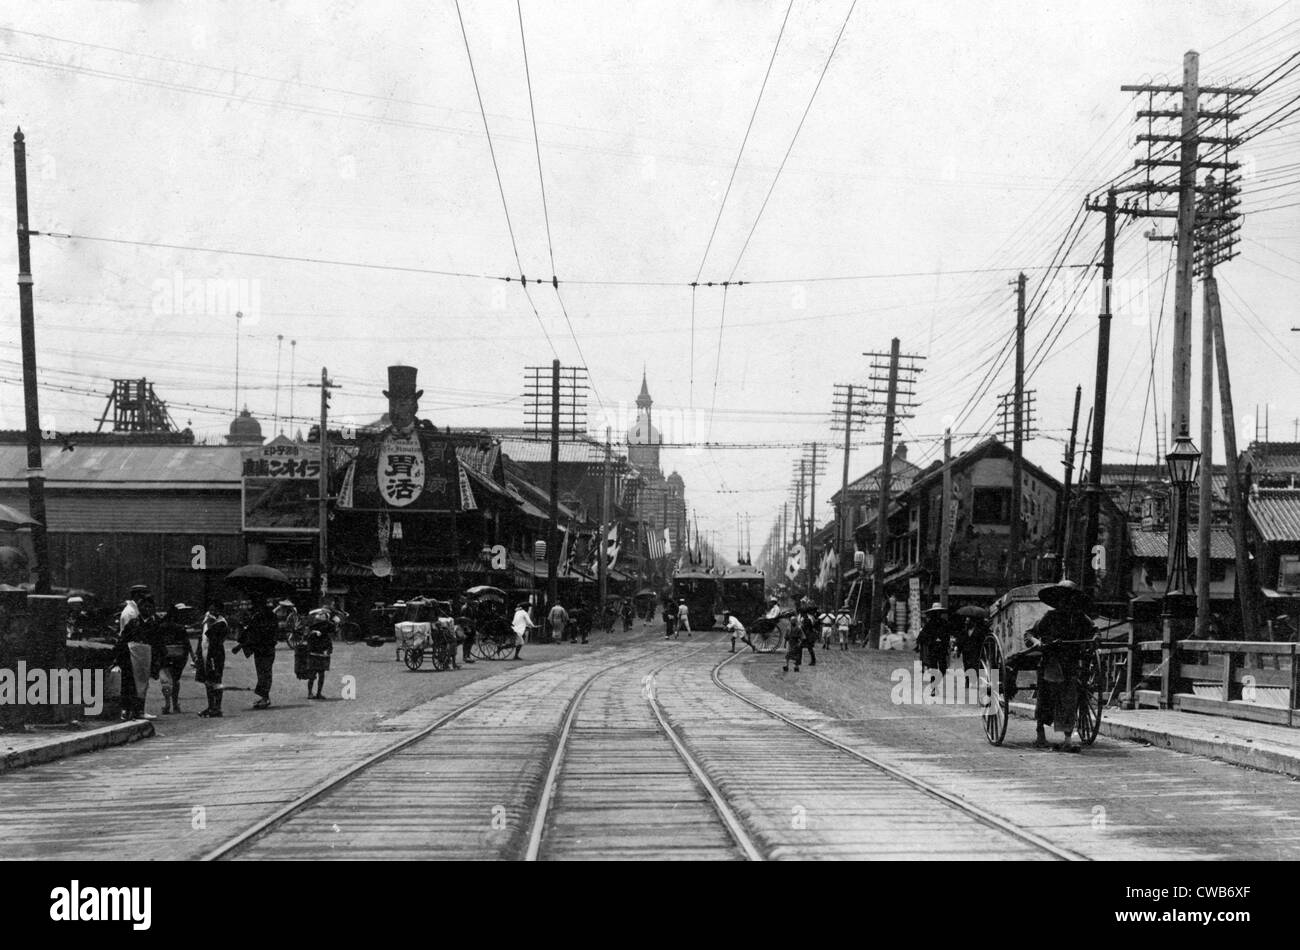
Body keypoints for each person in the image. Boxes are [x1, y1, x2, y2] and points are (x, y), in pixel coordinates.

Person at [1024, 580, 1095, 753]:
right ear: (1058, 600)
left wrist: (1094, 640)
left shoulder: (1080, 617)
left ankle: (1068, 739)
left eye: (1069, 598)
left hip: (1070, 663)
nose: (1066, 602)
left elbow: (1094, 631)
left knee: (1069, 699)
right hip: (1051, 661)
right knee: (1046, 699)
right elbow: (1029, 634)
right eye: (1063, 598)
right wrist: (1037, 642)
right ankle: (1040, 734)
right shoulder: (1050, 616)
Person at [115, 585, 156, 721]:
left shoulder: (142, 615)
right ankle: (130, 710)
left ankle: (137, 710)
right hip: (131, 651)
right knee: (131, 683)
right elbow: (126, 636)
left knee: (140, 683)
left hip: (141, 653)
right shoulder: (131, 614)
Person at [234, 599, 279, 709]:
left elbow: (251, 632)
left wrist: (240, 645)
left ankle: (265, 698)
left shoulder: (258, 617)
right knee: (265, 673)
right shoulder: (270, 616)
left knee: (263, 673)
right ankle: (264, 697)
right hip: (267, 648)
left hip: (262, 649)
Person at [155, 603, 194, 715]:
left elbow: (157, 642)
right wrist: (192, 655)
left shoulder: (161, 627)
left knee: (166, 681)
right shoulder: (180, 628)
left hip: (164, 655)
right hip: (179, 657)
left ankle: (167, 704)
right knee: (175, 680)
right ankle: (175, 704)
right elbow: (187, 643)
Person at [197, 601, 229, 718]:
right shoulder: (207, 621)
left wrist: (210, 623)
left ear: (220, 612)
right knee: (207, 681)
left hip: (216, 655)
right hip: (205, 653)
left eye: (215, 610)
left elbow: (214, 639)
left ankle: (217, 707)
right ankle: (210, 706)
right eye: (210, 610)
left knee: (216, 680)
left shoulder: (221, 623)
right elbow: (202, 638)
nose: (212, 612)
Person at [915, 603, 950, 696]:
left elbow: (948, 635)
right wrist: (929, 640)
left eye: (939, 612)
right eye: (936, 612)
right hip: (933, 649)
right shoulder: (929, 624)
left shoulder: (945, 623)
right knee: (934, 669)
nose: (937, 614)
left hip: (942, 648)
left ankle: (935, 684)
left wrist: (943, 641)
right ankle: (933, 688)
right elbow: (922, 635)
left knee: (943, 669)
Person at [303, 610, 333, 699]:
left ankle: (319, 693)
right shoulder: (312, 627)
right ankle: (310, 693)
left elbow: (328, 638)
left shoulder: (327, 627)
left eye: (324, 616)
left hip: (322, 653)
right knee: (312, 675)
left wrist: (329, 649)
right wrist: (314, 632)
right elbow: (306, 636)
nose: (323, 617)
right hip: (313, 653)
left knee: (321, 674)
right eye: (321, 615)